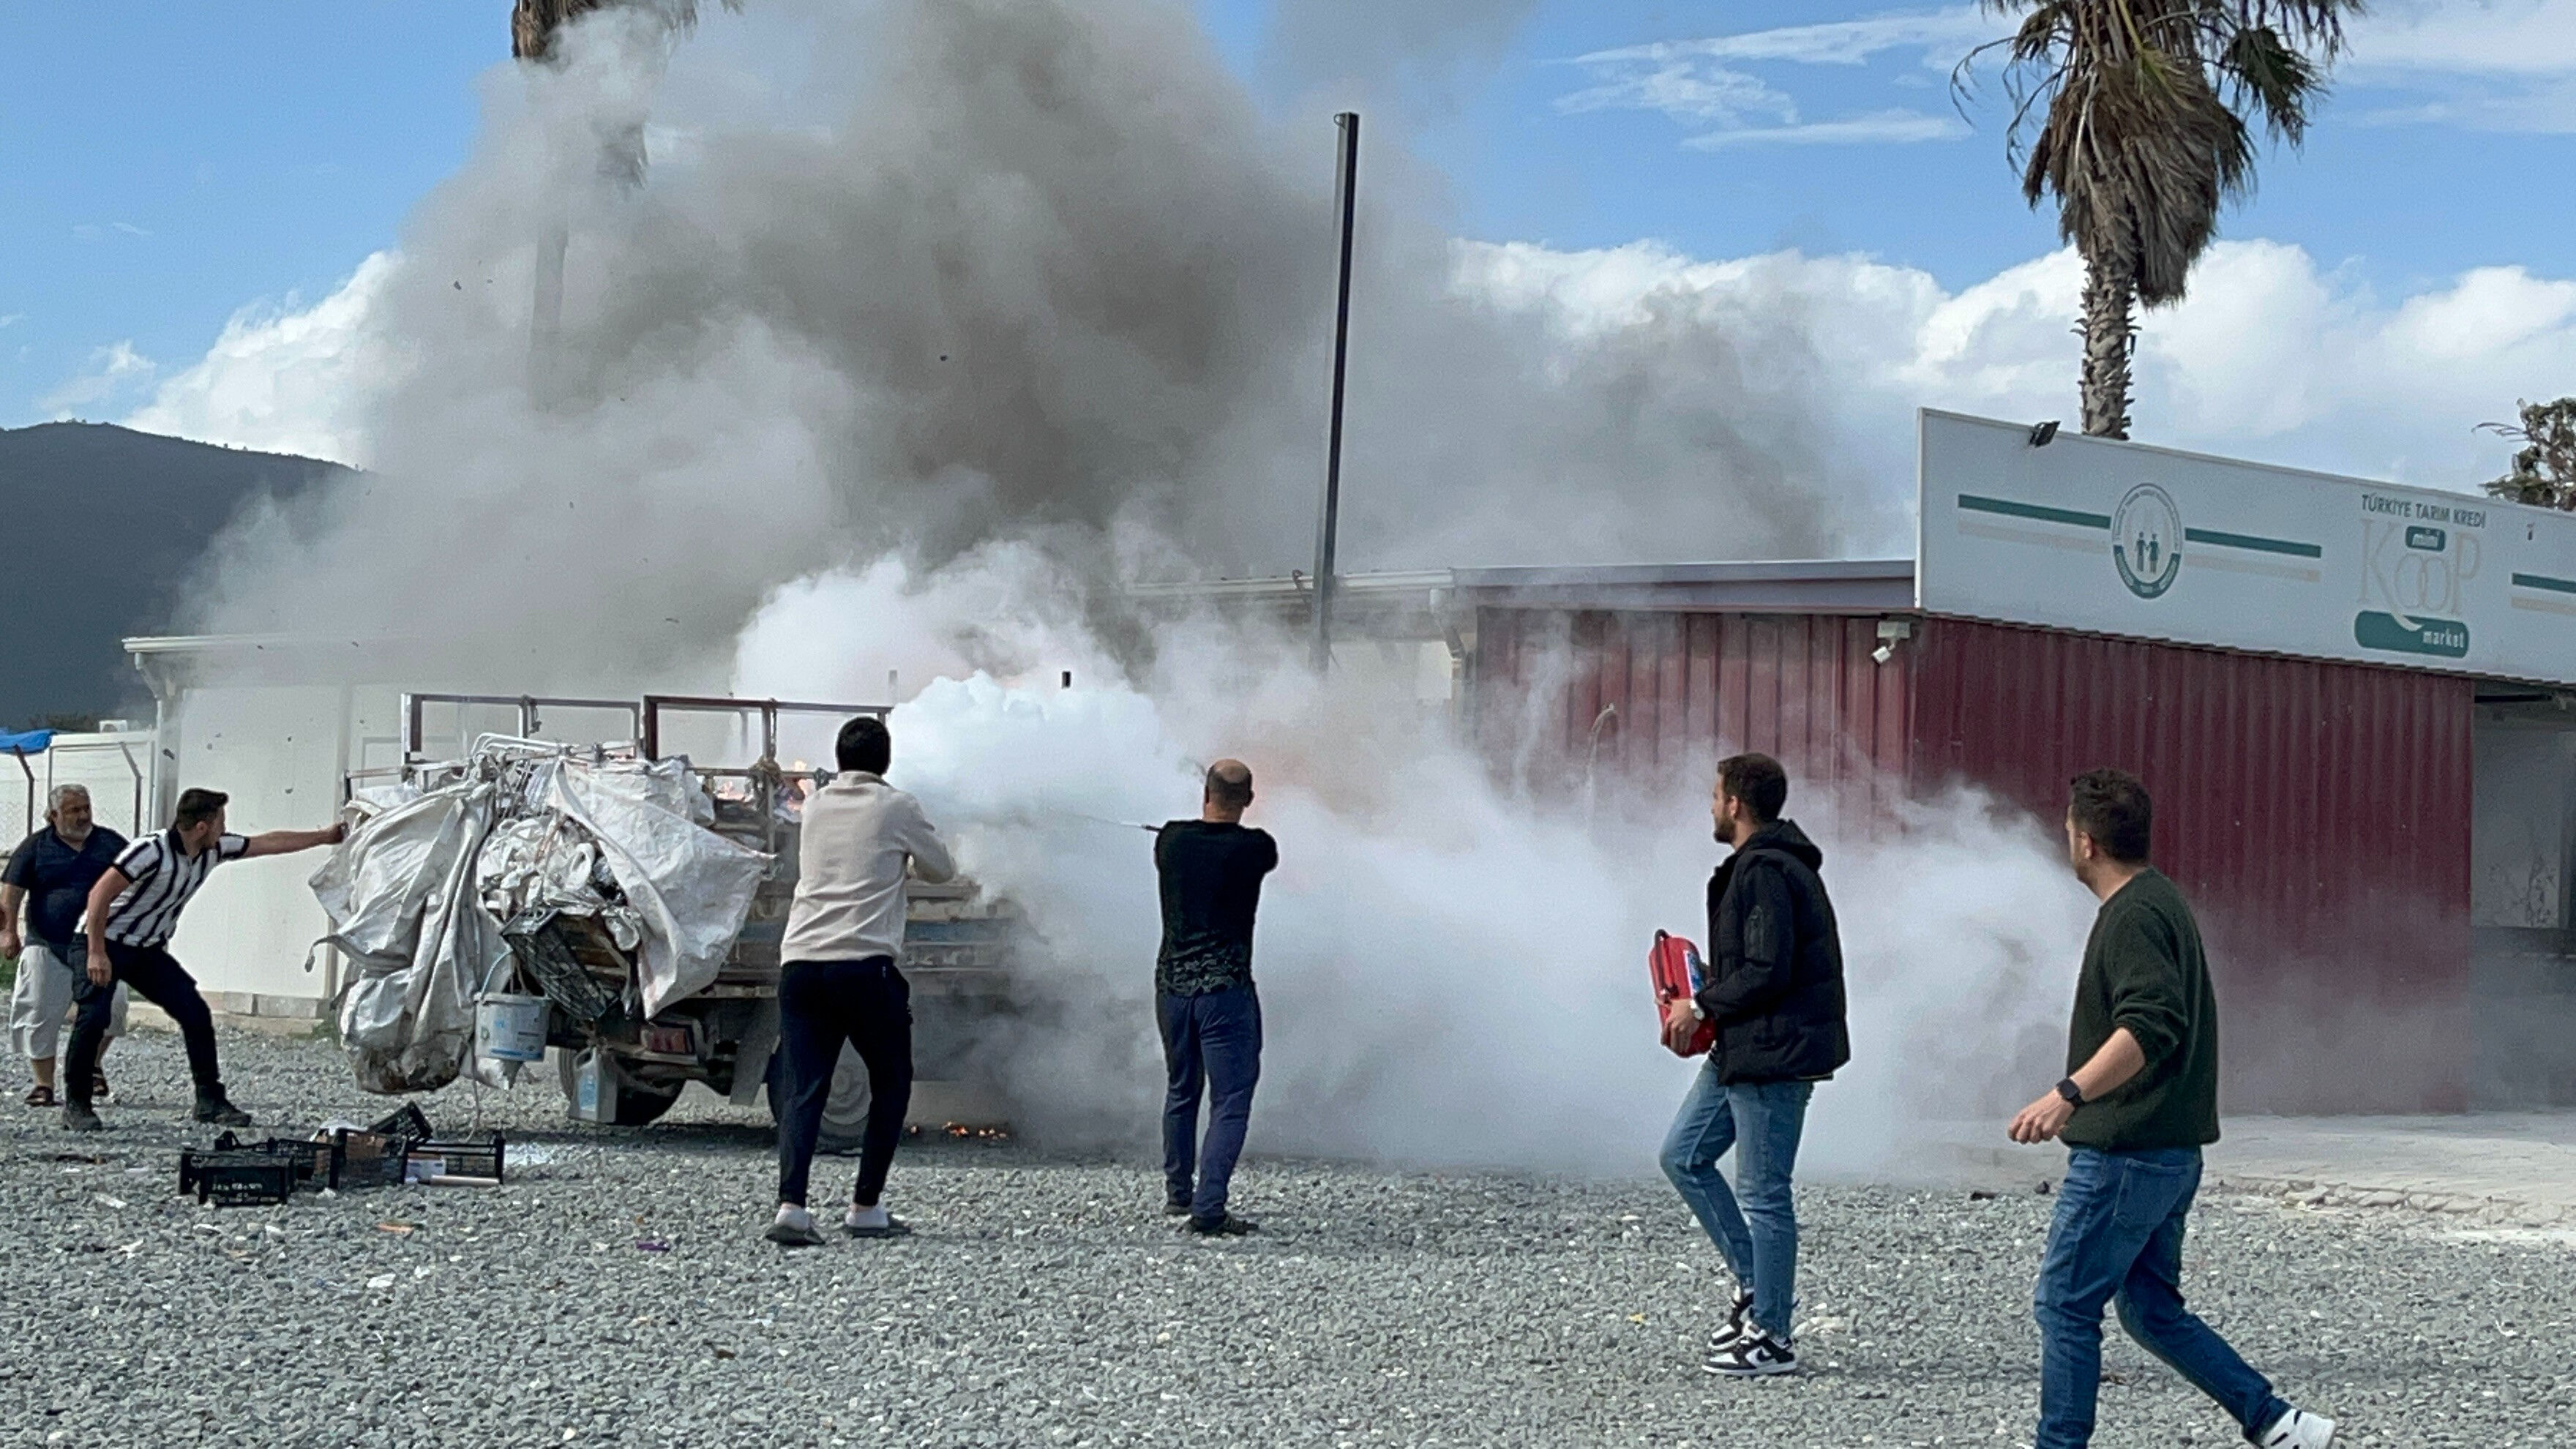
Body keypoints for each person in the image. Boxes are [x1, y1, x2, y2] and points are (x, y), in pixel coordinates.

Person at [2009, 769, 2336, 1449]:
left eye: (2068, 831)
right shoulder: (2160, 901)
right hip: (2167, 1154)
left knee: (2064, 1305)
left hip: (2125, 1156)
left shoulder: (2133, 916)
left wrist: (2067, 1094)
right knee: (2150, 1310)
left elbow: (2150, 1025)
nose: (2064, 842)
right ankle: (2276, 1422)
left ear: (2088, 843)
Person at [1657, 752, 1849, 1377]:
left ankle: (1773, 1337)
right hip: (1745, 1045)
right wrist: (1707, 984)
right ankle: (1755, 1286)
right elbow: (1762, 964)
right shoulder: (1762, 868)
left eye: (1715, 796)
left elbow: (1770, 970)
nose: (1710, 807)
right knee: (1683, 1155)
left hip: (1774, 1051)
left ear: (1736, 804)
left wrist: (1702, 1002)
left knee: (1765, 1195)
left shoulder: (1766, 871)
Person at [766, 715, 954, 1248]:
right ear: (886, 761)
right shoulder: (898, 806)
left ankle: (792, 1208)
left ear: (840, 758)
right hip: (865, 966)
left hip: (800, 963)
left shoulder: (818, 804)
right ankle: (865, 1205)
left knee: (804, 1089)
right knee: (892, 1083)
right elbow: (941, 868)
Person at [60, 787, 343, 1132]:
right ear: (202, 827)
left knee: (194, 1012)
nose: (226, 829)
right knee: (94, 1015)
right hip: (102, 939)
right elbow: (99, 895)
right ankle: (76, 1104)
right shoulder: (150, 851)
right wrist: (96, 952)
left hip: (146, 948)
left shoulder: (214, 849)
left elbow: (266, 843)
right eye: (221, 822)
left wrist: (325, 837)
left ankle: (209, 1099)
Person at [1154, 759, 1277, 1237]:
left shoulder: (1171, 840)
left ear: (1204, 792)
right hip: (1225, 991)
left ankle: (1178, 1192)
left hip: (1171, 988)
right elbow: (1259, 854)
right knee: (1231, 1098)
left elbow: (1182, 839)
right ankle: (1209, 1207)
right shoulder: (1257, 848)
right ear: (1248, 800)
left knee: (1182, 1088)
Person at [3, 785, 132, 1108]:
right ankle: (43, 1084)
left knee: (112, 1008)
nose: (83, 816)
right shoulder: (35, 847)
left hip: (98, 944)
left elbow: (138, 881)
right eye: (74, 810)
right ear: (53, 815)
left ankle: (91, 1065)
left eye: (86, 808)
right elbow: (12, 890)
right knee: (38, 1010)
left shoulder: (111, 844)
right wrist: (8, 932)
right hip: (48, 942)